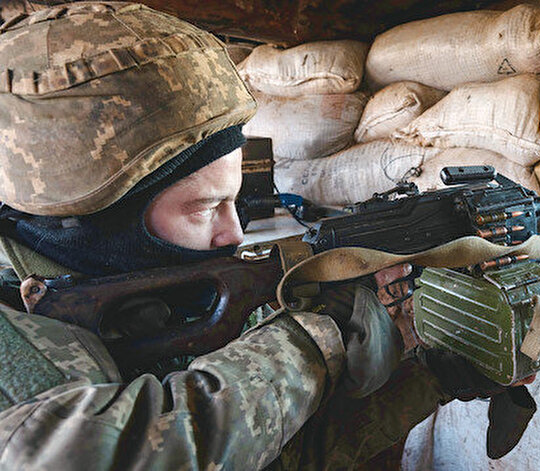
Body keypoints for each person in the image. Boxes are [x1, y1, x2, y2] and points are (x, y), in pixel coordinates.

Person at [0, 3, 512, 469]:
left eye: (236, 202)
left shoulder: (153, 303)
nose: (234, 233)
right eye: (205, 208)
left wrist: (432, 379)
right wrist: (311, 341)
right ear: (97, 221)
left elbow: (280, 456)